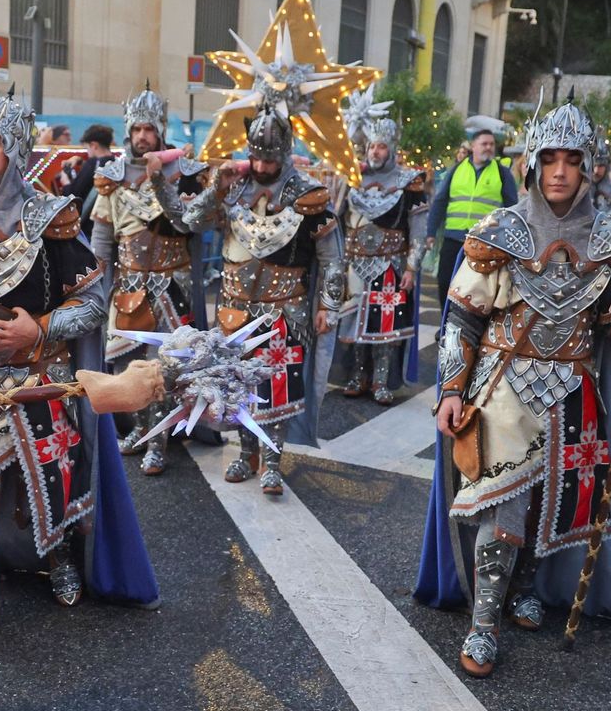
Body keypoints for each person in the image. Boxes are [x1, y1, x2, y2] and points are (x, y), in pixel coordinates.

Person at [417, 98, 611, 677]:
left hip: (577, 389)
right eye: (550, 158)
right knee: (503, 504)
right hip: (505, 386)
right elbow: (462, 319)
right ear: (531, 164)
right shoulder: (499, 232)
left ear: (589, 168)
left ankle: (526, 586)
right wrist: (453, 389)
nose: (560, 170)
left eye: (572, 159)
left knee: (553, 502)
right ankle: (484, 624)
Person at [0, 86, 157, 643]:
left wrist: (38, 328)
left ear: (17, 152)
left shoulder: (53, 221)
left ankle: (60, 559)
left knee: (51, 479)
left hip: (42, 380)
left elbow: (91, 302)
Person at [179, 104, 343, 494]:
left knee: (276, 389)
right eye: (255, 156)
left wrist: (329, 306)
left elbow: (333, 260)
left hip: (284, 309)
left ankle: (272, 459)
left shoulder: (308, 195)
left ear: (283, 153)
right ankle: (245, 452)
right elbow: (192, 223)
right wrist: (215, 188)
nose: (260, 164)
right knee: (238, 388)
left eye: (268, 158)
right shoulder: (232, 188)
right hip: (234, 309)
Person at [90, 87, 206, 475]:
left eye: (149, 129)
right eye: (136, 128)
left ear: (161, 131)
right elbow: (103, 238)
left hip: (173, 285)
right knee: (127, 365)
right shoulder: (112, 176)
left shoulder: (186, 173)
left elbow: (189, 224)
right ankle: (139, 431)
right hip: (128, 286)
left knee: (165, 368)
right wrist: (95, 281)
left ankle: (160, 442)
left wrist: (162, 181)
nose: (142, 136)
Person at [329, 101, 428, 406]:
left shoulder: (408, 181)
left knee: (385, 324)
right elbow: (336, 219)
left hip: (390, 265)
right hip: (355, 261)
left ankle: (382, 381)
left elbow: (419, 230)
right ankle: (358, 376)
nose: (375, 152)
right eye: (372, 146)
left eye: (381, 147)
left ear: (392, 149)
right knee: (355, 323)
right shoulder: (352, 177)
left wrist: (411, 268)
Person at [425, 127, 518, 306]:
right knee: (445, 281)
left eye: (491, 144)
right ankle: (445, 327)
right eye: (484, 144)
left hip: (485, 242)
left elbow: (511, 208)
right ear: (473, 146)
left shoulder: (501, 173)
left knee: (477, 290)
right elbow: (440, 201)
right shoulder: (457, 170)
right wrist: (431, 232)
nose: (488, 147)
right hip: (453, 238)